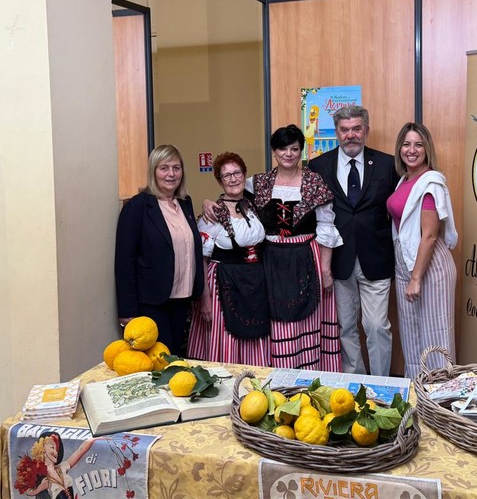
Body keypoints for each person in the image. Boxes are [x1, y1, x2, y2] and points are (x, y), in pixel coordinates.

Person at [308, 105, 399, 376]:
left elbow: (403, 203)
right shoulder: (318, 166)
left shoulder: (387, 164)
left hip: (377, 258)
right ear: (336, 133)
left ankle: (382, 385)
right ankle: (354, 382)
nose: (351, 135)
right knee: (345, 327)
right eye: (345, 130)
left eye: (357, 129)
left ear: (366, 130)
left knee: (376, 326)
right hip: (338, 259)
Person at [251, 125, 342, 369]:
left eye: (294, 149)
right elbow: (232, 196)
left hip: (306, 256)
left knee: (309, 315)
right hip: (271, 260)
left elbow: (326, 225)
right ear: (274, 151)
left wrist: (326, 270)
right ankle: (282, 372)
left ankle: (310, 373)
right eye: (283, 149)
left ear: (301, 151)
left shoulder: (314, 182)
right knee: (277, 317)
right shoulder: (259, 182)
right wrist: (208, 203)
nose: (288, 154)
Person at [114, 144, 203, 358]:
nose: (171, 174)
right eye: (164, 168)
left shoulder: (185, 203)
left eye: (176, 168)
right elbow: (124, 261)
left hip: (183, 299)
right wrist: (127, 311)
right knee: (158, 362)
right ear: (153, 171)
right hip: (152, 302)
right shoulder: (138, 206)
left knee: (175, 358)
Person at [186, 152, 271, 366]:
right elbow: (202, 259)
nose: (233, 179)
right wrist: (205, 299)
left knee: (254, 330)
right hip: (223, 283)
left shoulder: (252, 205)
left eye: (237, 173)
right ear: (219, 181)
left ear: (244, 175)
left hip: (254, 282)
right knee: (227, 334)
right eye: (226, 175)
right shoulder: (213, 214)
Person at [387, 122, 458, 377]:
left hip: (429, 265)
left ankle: (440, 396)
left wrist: (416, 278)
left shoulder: (431, 182)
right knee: (411, 335)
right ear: (399, 148)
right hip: (405, 262)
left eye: (418, 145)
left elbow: (429, 235)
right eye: (406, 144)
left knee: (435, 337)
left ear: (427, 149)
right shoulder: (405, 180)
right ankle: (417, 393)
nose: (412, 150)